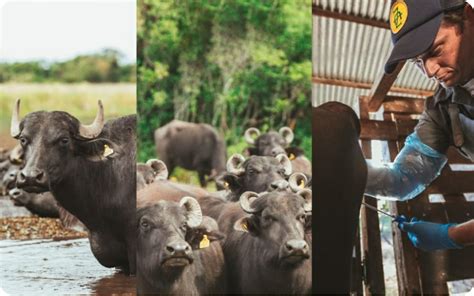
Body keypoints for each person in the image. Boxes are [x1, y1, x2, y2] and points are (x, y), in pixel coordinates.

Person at [365, 0, 474, 251]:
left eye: (435, 50)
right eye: (417, 61)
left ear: (468, 16)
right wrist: (342, 171)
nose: (429, 71)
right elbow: (402, 180)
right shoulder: (442, 108)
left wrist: (454, 235)